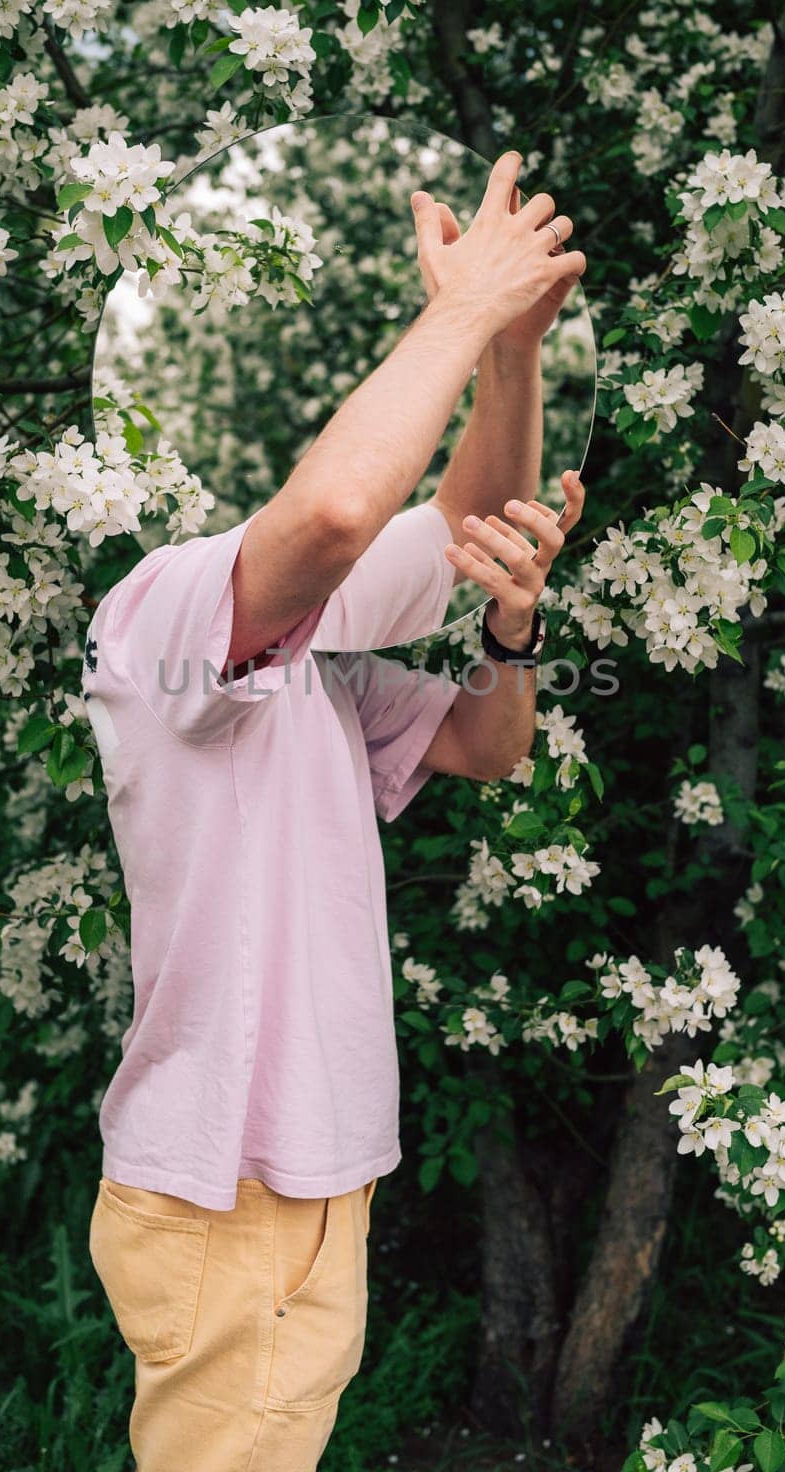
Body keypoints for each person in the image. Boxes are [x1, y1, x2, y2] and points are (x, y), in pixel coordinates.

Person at [81, 150, 587, 1472]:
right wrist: (459, 312)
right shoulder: (160, 620)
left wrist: (510, 361)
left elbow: (486, 734)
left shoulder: (314, 669)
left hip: (312, 1177)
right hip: (224, 1194)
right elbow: (338, 509)